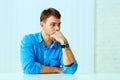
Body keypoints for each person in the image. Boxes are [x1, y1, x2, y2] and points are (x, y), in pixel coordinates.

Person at [20, 8, 78, 74]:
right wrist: (57, 69)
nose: (57, 28)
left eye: (59, 24)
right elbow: (29, 68)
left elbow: (71, 70)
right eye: (53, 24)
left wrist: (64, 42)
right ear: (42, 25)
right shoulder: (28, 40)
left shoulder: (61, 44)